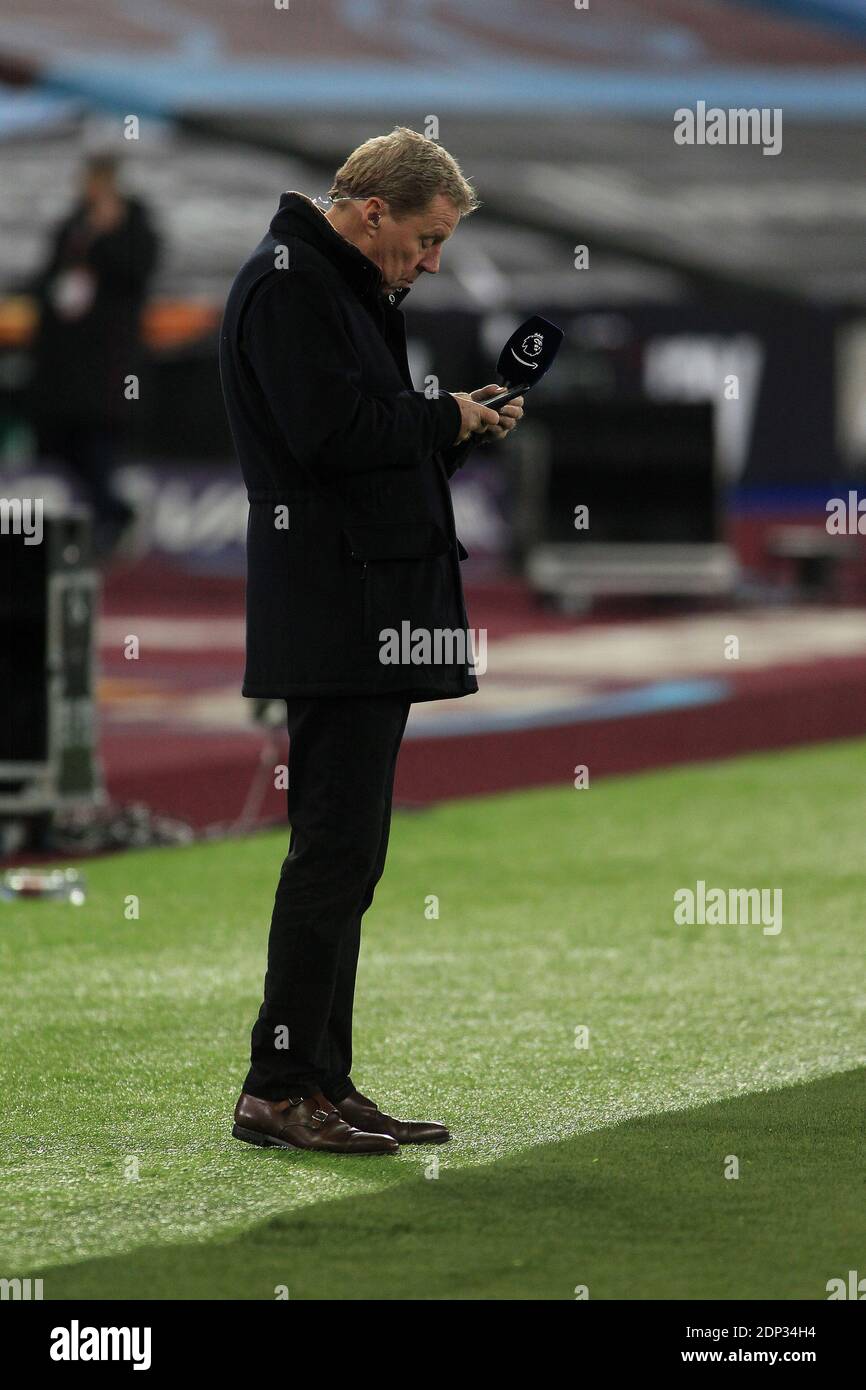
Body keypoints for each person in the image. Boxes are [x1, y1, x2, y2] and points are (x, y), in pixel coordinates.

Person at [219, 127, 523, 1155]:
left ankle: (322, 1076)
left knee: (351, 854)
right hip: (332, 606)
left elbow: (365, 433)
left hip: (360, 602)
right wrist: (441, 419)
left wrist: (452, 424)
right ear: (372, 211)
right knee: (330, 850)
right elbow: (331, 435)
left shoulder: (336, 285)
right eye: (427, 239)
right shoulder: (290, 283)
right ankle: (277, 1083)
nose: (432, 262)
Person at [29, 152, 159, 556]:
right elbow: (47, 281)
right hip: (63, 366)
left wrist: (108, 235)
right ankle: (112, 515)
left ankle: (112, 521)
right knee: (60, 445)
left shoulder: (134, 226)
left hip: (108, 367)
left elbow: (138, 273)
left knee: (98, 444)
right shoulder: (71, 226)